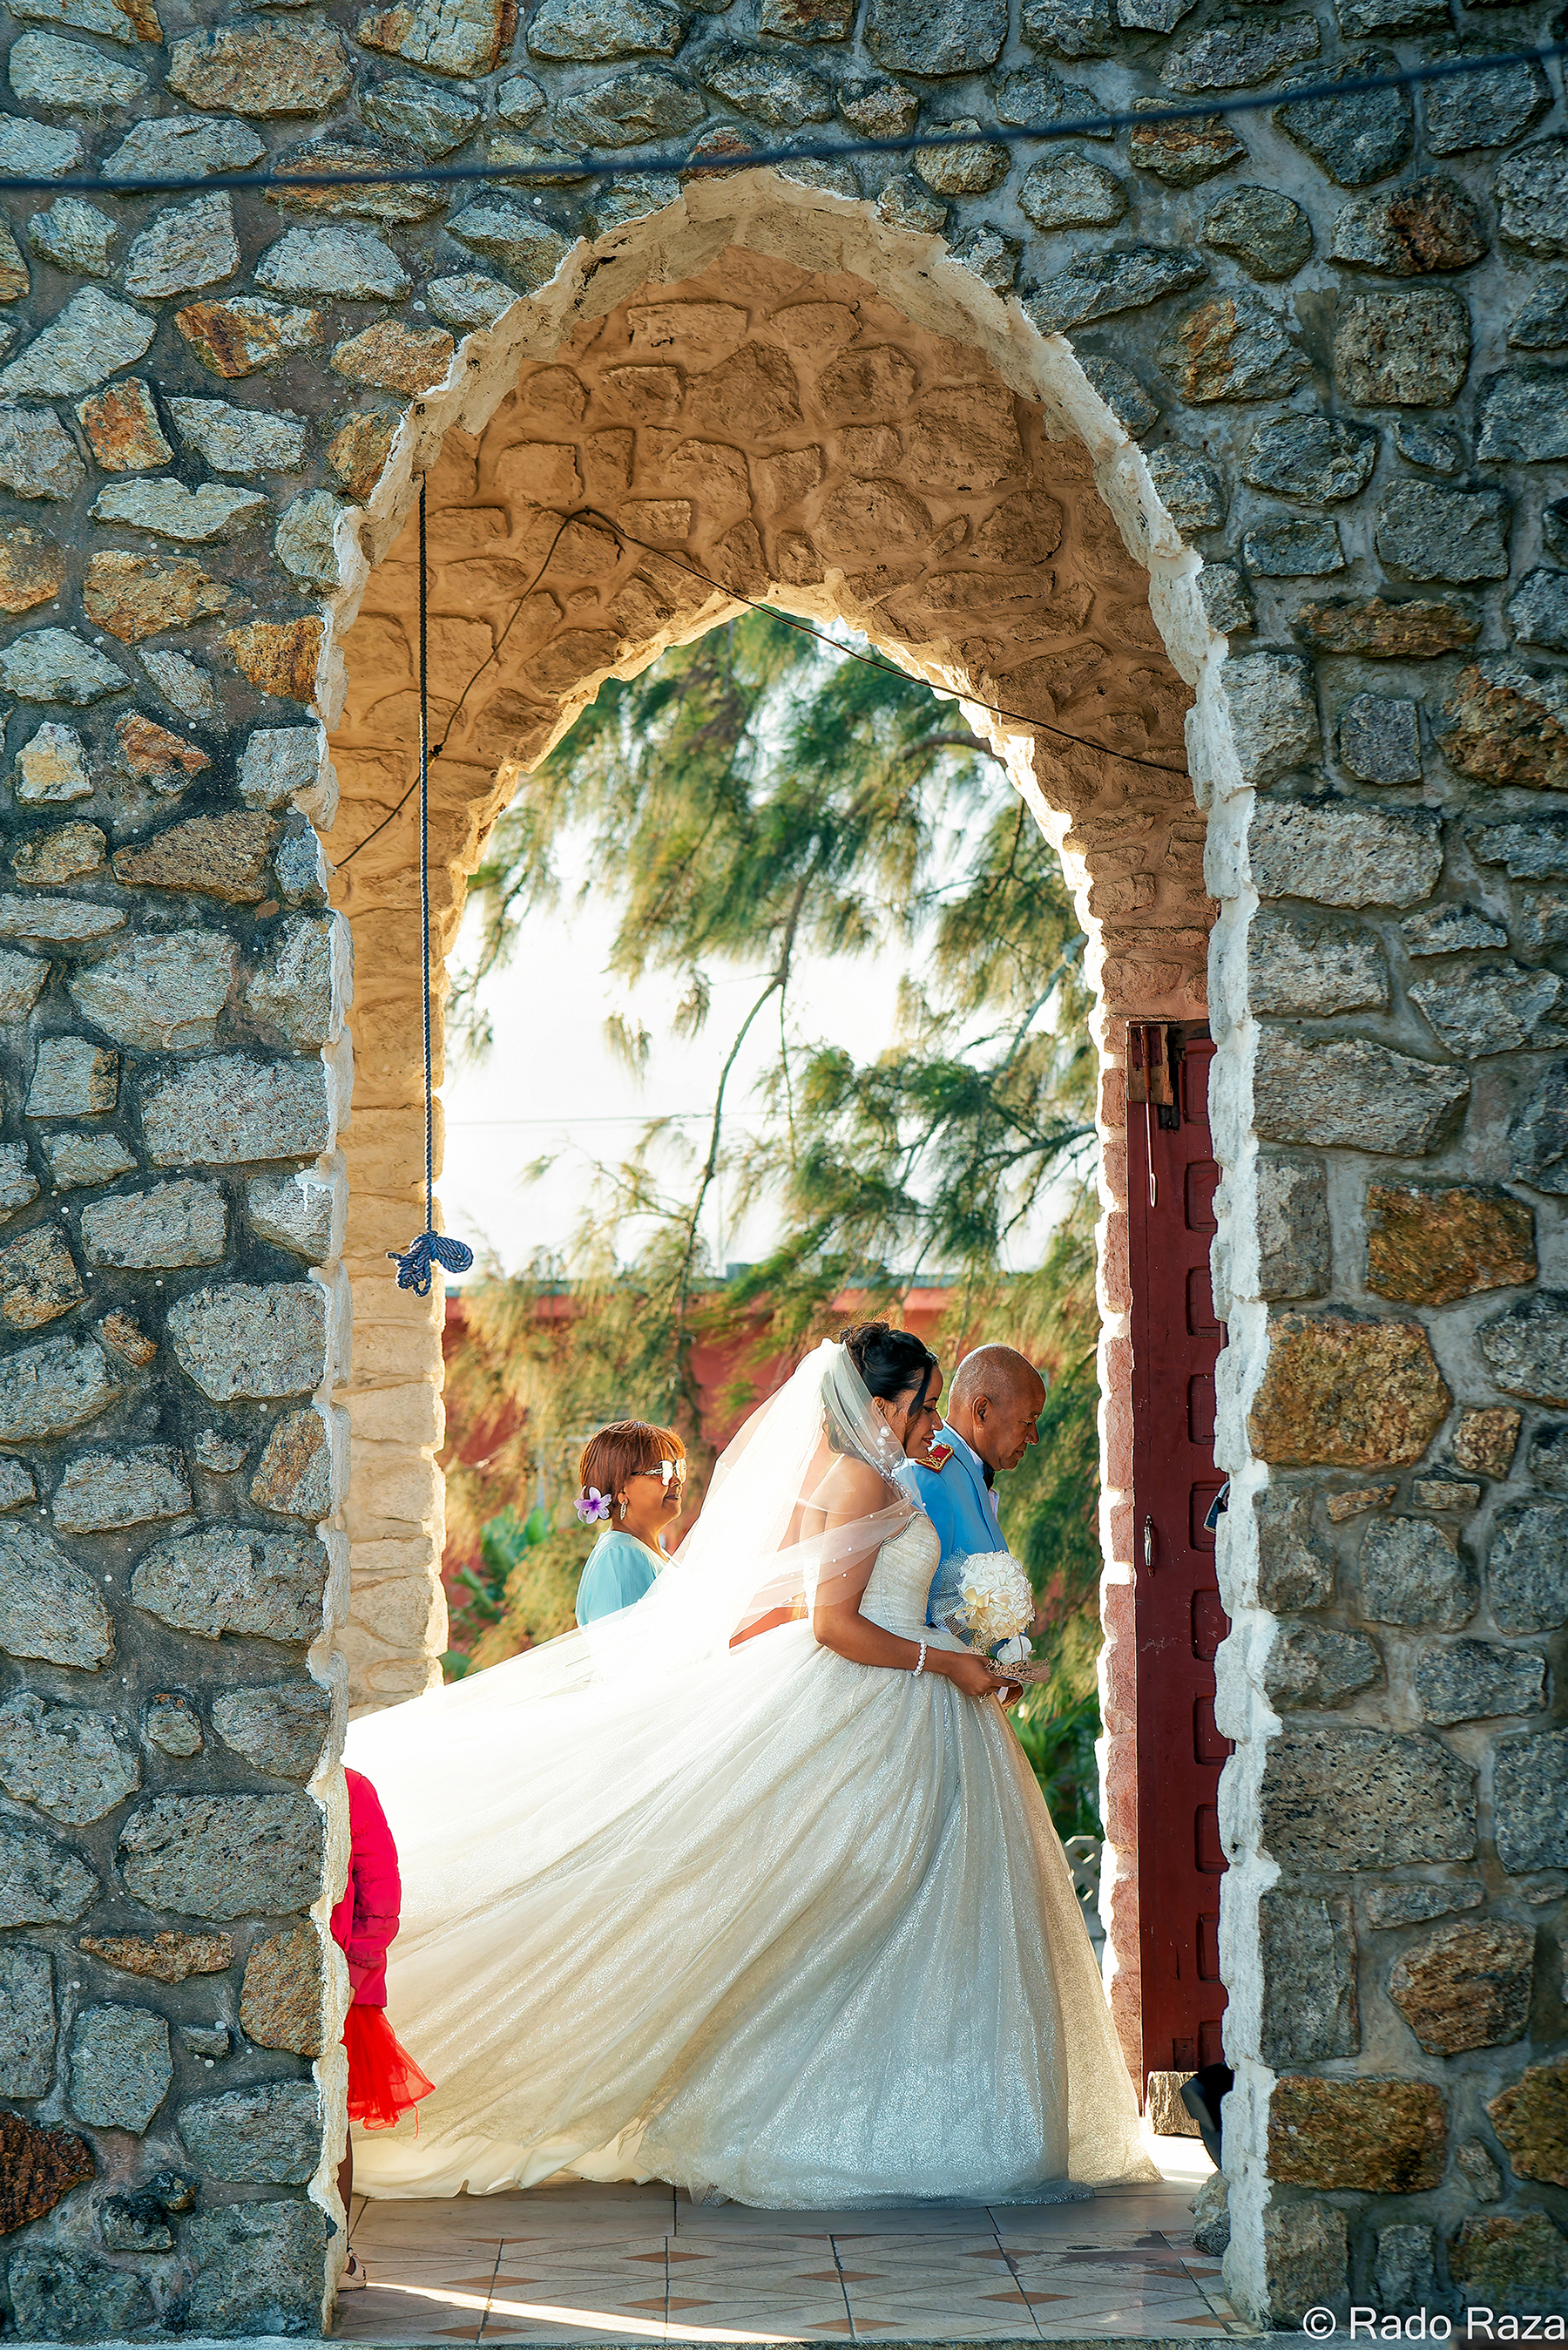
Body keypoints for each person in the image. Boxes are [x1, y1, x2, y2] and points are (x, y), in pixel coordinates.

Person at [345, 1321, 1152, 2207]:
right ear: (881, 1404)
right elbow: (831, 1622)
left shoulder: (892, 1478)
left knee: (916, 1913)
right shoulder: (853, 1477)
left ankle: (926, 2114)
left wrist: (970, 1652)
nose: (930, 1418)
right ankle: (845, 2121)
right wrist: (945, 1662)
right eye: (920, 1403)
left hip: (925, 1703)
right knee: (865, 1898)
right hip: (885, 1701)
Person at [333, 1765, 435, 2282]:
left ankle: (338, 2250)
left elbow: (379, 1885)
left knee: (332, 2120)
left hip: (341, 1977)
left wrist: (355, 1969)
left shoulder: (351, 1786)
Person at [902, 1343, 1047, 1632]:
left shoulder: (968, 1468)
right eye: (1027, 1421)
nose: (1034, 1437)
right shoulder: (932, 1475)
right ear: (981, 1411)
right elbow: (921, 1608)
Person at [572, 1421, 687, 1627]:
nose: (676, 1480)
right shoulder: (620, 1558)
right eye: (662, 1471)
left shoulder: (646, 1552)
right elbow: (625, 1656)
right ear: (621, 1489)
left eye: (677, 1468)